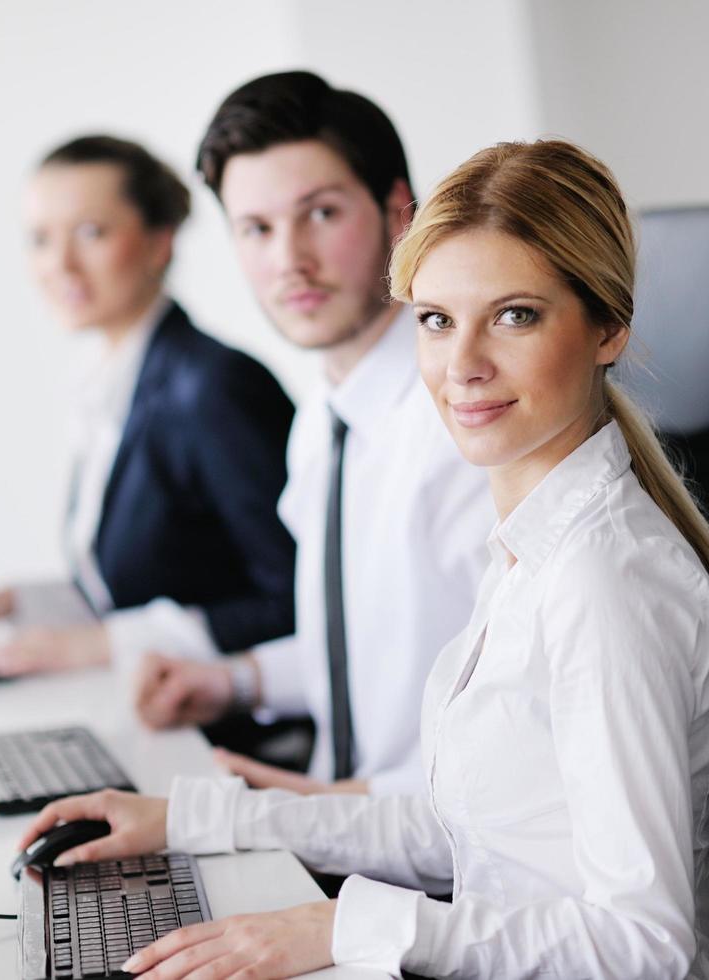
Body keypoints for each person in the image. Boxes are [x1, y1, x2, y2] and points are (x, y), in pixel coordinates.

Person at [18, 139, 709, 979]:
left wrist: (346, 928)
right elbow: (465, 831)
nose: (463, 367)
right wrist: (192, 817)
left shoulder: (603, 582)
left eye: (515, 315)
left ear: (608, 328)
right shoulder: (534, 546)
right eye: (436, 320)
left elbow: (650, 948)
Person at [131, 71, 491, 796]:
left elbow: (514, 747)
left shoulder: (466, 421)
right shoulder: (324, 421)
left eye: (321, 214)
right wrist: (234, 681)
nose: (288, 260)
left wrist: (304, 814)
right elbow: (372, 649)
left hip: (445, 864)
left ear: (400, 214)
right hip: (353, 832)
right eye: (256, 229)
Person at [0, 135, 296, 678]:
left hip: (230, 727)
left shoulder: (212, 387)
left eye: (90, 233)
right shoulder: (115, 380)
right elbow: (137, 590)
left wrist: (101, 644)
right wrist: (13, 604)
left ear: (160, 242)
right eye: (39, 239)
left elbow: (296, 602)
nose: (60, 264)